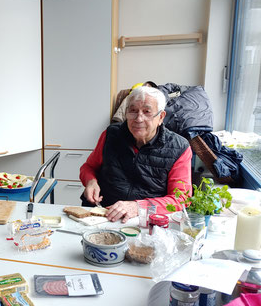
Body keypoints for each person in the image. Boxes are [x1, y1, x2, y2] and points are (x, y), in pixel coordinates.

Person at [80, 86, 192, 223]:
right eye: (133, 111)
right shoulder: (111, 134)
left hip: (144, 220)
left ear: (161, 117)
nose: (138, 119)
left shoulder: (179, 147)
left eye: (147, 112)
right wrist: (91, 182)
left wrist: (138, 207)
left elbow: (181, 199)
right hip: (101, 214)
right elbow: (88, 167)